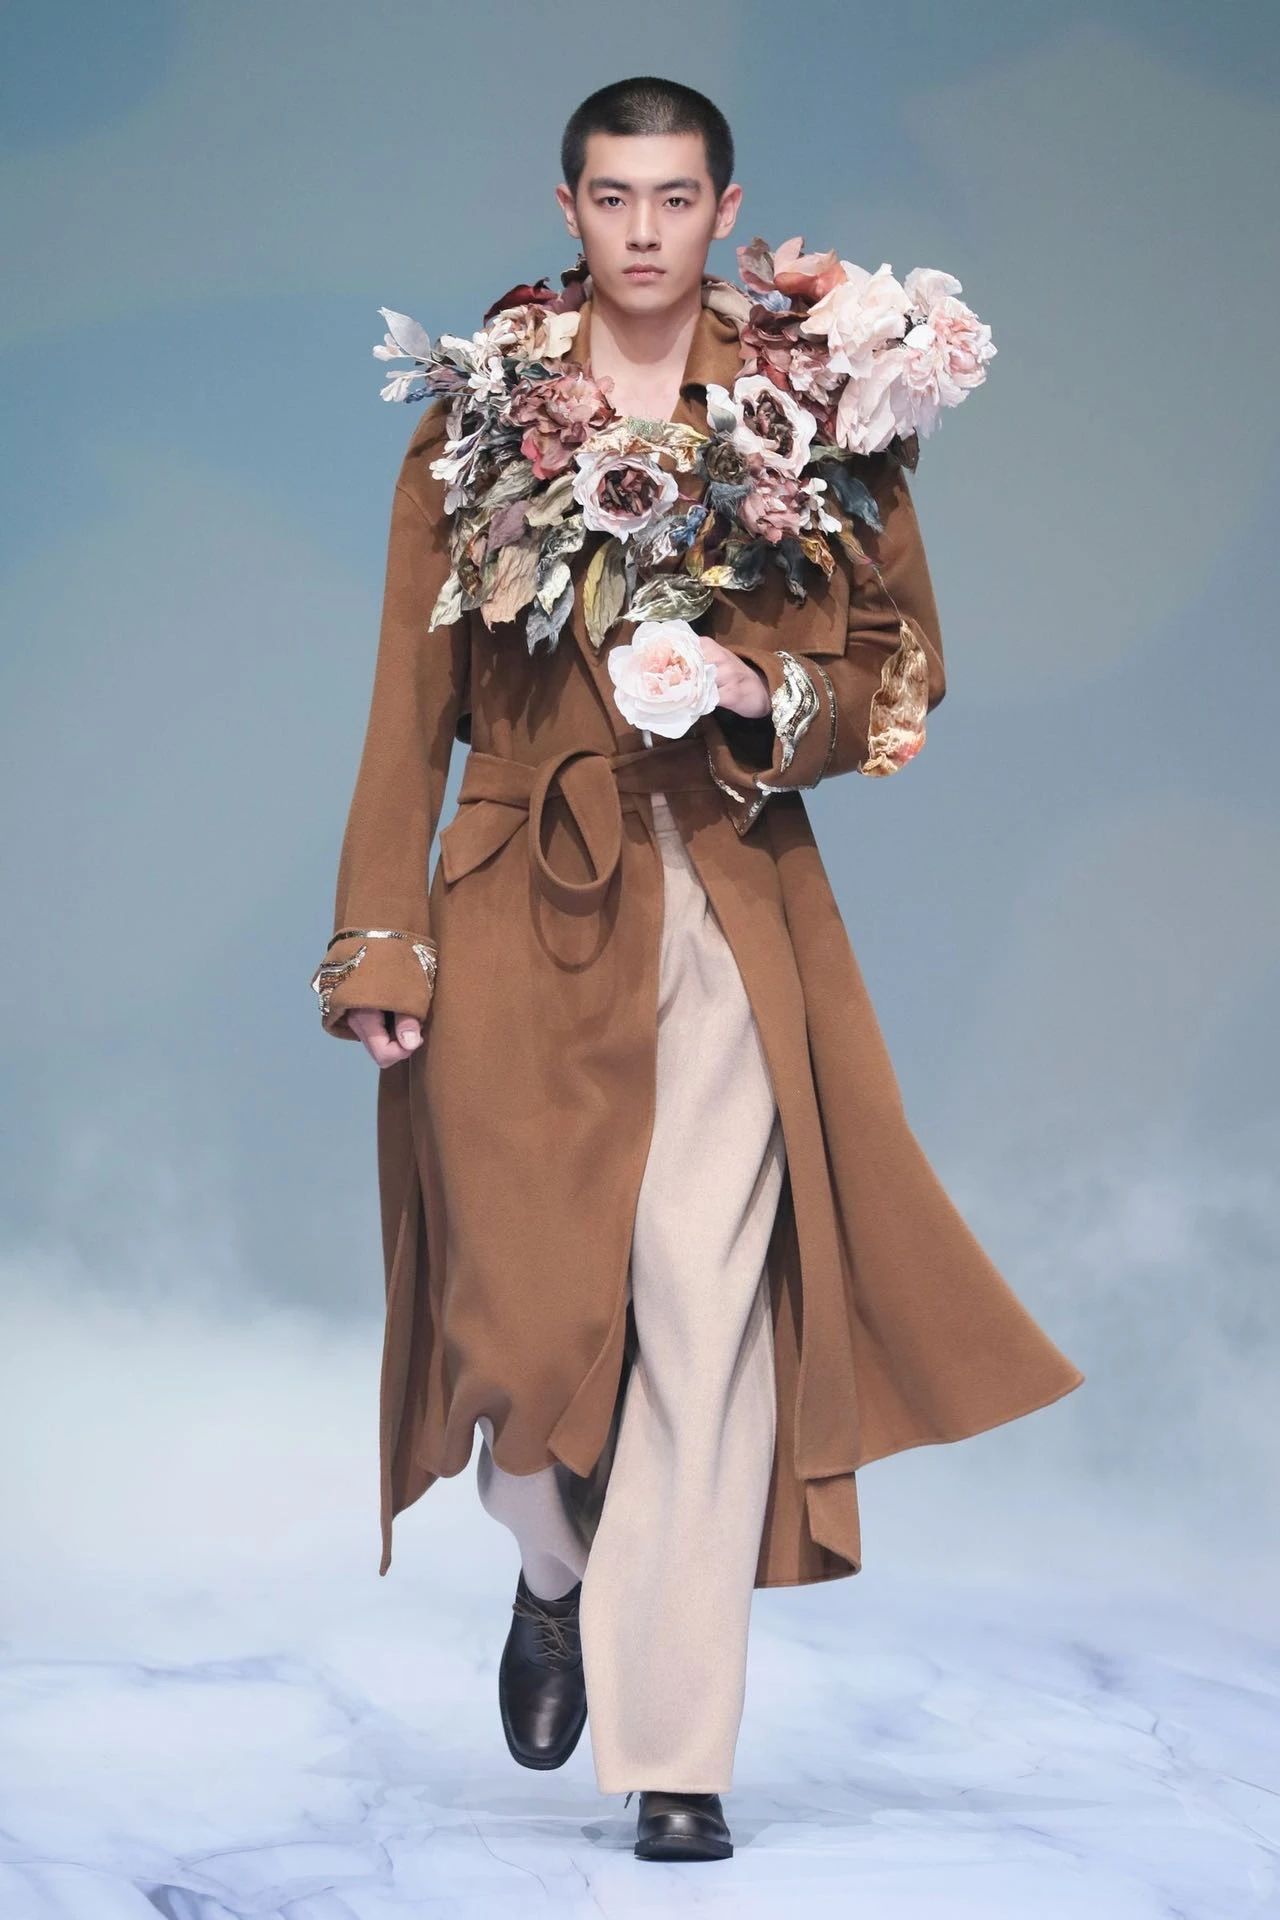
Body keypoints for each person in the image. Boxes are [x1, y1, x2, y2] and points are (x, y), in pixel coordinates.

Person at [309, 76, 1085, 1865]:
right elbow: (405, 702)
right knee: (517, 1338)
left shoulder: (818, 399)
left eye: (676, 198)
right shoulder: (476, 417)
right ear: (568, 207)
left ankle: (678, 1757)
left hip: (732, 897)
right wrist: (381, 939)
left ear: (726, 210)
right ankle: (549, 1565)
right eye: (613, 197)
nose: (644, 230)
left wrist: (758, 689)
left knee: (704, 1317)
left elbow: (902, 674)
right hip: (519, 892)